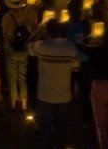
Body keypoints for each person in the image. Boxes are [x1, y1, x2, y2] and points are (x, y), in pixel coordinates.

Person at [29, 18, 82, 149]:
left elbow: (28, 45)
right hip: (64, 95)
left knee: (45, 126)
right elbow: (76, 68)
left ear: (47, 31)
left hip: (45, 94)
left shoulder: (41, 46)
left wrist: (38, 31)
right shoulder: (70, 47)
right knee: (63, 126)